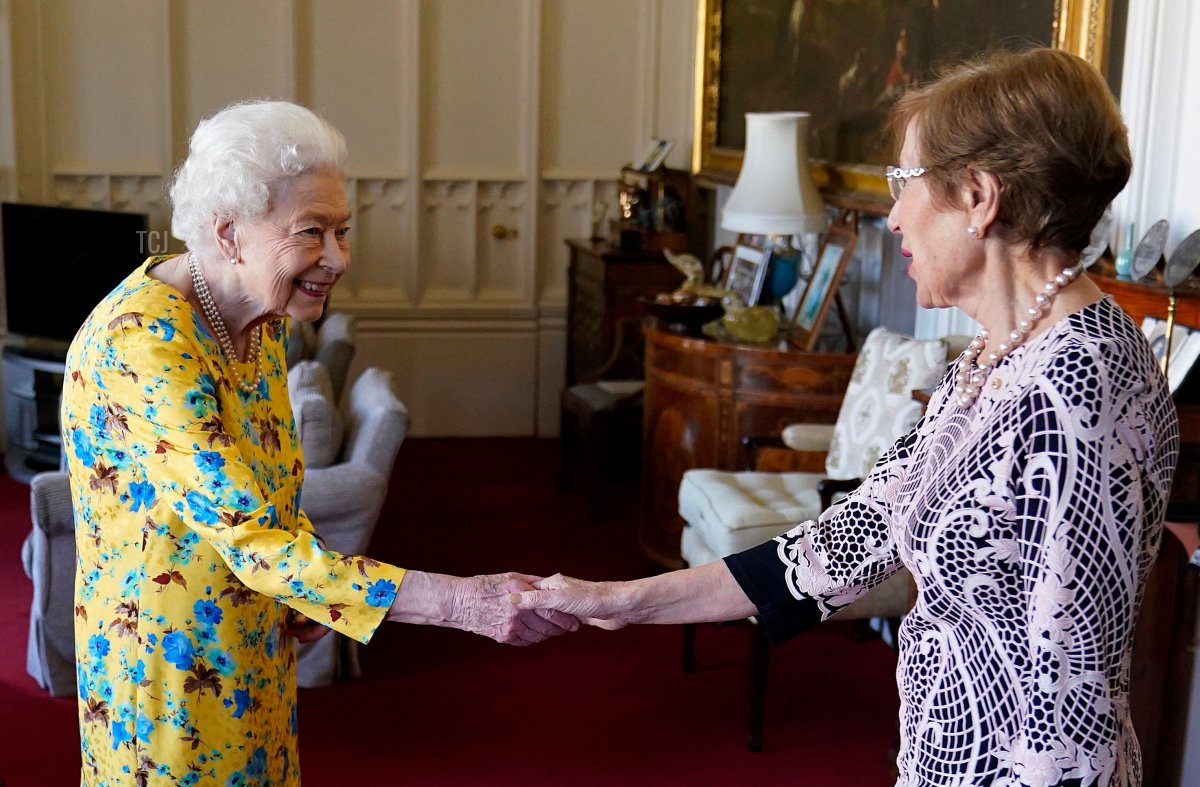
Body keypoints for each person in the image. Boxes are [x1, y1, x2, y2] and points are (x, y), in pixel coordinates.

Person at [514, 48, 1179, 786]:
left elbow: (1069, 698)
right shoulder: (995, 356)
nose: (892, 214)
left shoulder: (1082, 378)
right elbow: (842, 542)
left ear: (981, 197)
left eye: (905, 181)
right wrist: (621, 601)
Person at [62, 100, 578, 786]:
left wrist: (308, 594)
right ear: (228, 233)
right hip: (168, 669)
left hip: (253, 640)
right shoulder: (146, 342)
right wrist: (461, 602)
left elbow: (270, 488)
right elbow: (252, 535)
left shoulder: (261, 316)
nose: (336, 258)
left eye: (342, 230)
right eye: (312, 232)